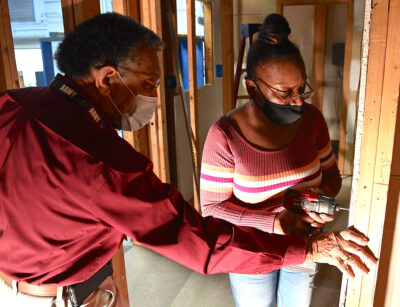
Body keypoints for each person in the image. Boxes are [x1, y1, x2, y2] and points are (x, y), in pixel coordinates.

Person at [0, 13, 376, 307]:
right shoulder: (107, 163)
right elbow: (202, 241)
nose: (153, 99)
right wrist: (303, 244)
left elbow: (329, 176)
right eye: (148, 84)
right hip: (56, 295)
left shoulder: (10, 104)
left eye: (301, 90)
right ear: (108, 79)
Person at [200, 14, 352, 307]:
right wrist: (273, 223)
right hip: (251, 249)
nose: (297, 102)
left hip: (304, 241)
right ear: (253, 88)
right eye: (284, 94)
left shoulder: (313, 120)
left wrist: (318, 201)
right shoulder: (224, 135)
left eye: (301, 90)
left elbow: (332, 177)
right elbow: (211, 208)